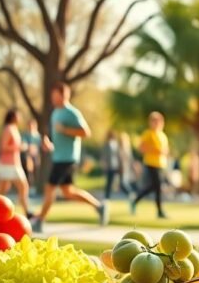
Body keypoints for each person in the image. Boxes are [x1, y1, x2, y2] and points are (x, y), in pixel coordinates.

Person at [32, 82, 106, 231]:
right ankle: (99, 207)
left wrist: (65, 129)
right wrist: (49, 146)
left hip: (67, 158)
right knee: (68, 192)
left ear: (64, 95)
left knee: (49, 188)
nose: (53, 98)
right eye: (52, 95)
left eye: (55, 95)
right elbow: (59, 140)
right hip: (59, 156)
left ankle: (39, 221)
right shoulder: (55, 113)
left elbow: (86, 132)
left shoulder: (72, 112)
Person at [131, 111, 169, 218]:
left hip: (161, 164)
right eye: (154, 121)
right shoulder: (148, 134)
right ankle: (160, 211)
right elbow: (141, 148)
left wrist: (163, 152)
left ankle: (136, 200)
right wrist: (154, 150)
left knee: (155, 187)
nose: (156, 123)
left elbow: (165, 150)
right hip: (151, 163)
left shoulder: (162, 135)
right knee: (157, 187)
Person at [0, 109, 31, 217]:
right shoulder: (8, 129)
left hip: (15, 163)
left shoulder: (14, 129)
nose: (19, 117)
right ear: (12, 117)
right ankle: (27, 211)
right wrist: (19, 147)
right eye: (17, 116)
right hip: (7, 164)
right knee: (5, 189)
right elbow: (3, 147)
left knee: (4, 189)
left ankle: (27, 211)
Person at [101, 129, 129, 200]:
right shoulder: (106, 145)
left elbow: (120, 156)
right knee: (109, 184)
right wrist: (104, 165)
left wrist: (122, 166)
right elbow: (104, 156)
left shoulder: (116, 145)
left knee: (122, 183)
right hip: (110, 167)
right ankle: (106, 199)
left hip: (117, 166)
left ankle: (130, 194)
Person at [20, 119, 42, 185]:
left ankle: (33, 183)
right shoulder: (25, 135)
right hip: (27, 155)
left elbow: (39, 146)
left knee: (35, 168)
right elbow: (23, 144)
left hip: (35, 155)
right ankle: (28, 182)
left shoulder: (38, 136)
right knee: (28, 169)